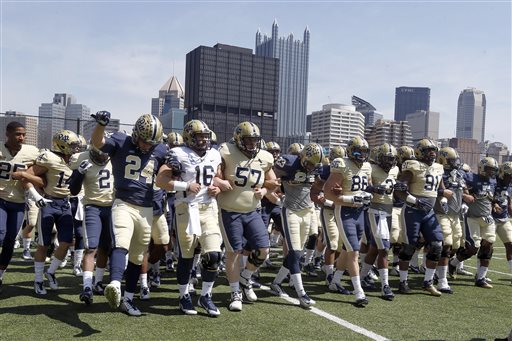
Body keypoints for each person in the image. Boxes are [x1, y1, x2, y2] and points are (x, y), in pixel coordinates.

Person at [90, 111, 167, 316]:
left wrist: (172, 166)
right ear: (135, 134)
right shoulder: (121, 141)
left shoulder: (160, 149)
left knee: (138, 255)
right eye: (144, 141)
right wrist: (100, 125)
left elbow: (169, 167)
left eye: (152, 143)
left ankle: (128, 299)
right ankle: (114, 284)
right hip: (124, 202)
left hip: (147, 208)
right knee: (121, 242)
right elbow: (98, 143)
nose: (147, 146)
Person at [156, 119, 223, 316]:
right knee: (187, 256)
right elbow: (161, 180)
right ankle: (184, 296)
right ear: (189, 137)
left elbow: (216, 176)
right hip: (186, 208)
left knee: (214, 255)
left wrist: (217, 187)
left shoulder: (214, 154)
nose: (203, 140)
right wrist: (186, 186)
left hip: (209, 207)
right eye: (199, 136)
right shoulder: (177, 153)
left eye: (205, 136)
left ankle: (205, 296)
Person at [215, 121, 276, 312]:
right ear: (239, 139)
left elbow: (273, 181)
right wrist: (220, 182)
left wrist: (265, 189)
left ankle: (245, 278)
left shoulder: (264, 157)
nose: (252, 144)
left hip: (252, 211)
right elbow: (213, 176)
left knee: (264, 250)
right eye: (248, 140)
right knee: (233, 253)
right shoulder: (226, 151)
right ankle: (235, 292)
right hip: (230, 210)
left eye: (254, 140)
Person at [23, 129, 81, 295]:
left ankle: (51, 272)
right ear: (62, 145)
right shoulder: (49, 158)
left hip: (65, 204)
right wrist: (36, 196)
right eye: (72, 145)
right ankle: (38, 280)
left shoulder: (73, 160)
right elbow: (27, 176)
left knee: (66, 241)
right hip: (49, 202)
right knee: (43, 243)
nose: (76, 148)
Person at [269, 143, 323, 308]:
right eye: (311, 163)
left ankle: (276, 283)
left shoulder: (316, 168)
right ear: (303, 157)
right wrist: (276, 195)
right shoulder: (289, 162)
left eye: (316, 164)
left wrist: (320, 193)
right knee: (294, 252)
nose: (312, 167)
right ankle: (301, 293)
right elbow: (269, 178)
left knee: (297, 253)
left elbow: (315, 188)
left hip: (307, 211)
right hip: (290, 211)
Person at [394, 138, 449, 297]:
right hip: (412, 211)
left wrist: (443, 200)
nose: (432, 153)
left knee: (437, 245)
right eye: (428, 151)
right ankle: (403, 282)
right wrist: (416, 201)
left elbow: (441, 189)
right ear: (419, 152)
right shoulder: (413, 165)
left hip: (429, 212)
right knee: (410, 246)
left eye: (434, 151)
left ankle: (428, 282)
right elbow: (399, 189)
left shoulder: (438, 167)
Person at [323, 136, 373, 307]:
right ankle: (359, 292)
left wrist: (369, 194)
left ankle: (335, 280)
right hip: (344, 211)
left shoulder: (367, 166)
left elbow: (367, 187)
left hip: (360, 213)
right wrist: (350, 199)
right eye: (358, 151)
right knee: (353, 252)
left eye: (365, 152)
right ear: (351, 151)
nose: (361, 155)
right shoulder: (341, 164)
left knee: (347, 249)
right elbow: (328, 194)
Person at [68, 145, 113, 305]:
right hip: (92, 207)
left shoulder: (116, 158)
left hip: (113, 207)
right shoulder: (82, 158)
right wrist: (79, 173)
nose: (102, 158)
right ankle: (87, 287)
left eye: (104, 155)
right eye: (99, 155)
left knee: (105, 248)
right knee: (91, 247)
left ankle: (98, 282)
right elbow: (73, 190)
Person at [0, 122, 40, 293]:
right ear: (7, 134)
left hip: (18, 202)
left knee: (10, 240)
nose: (21, 138)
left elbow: (44, 170)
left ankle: (0, 275)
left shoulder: (32, 152)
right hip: (0, 198)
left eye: (23, 134)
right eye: (17, 134)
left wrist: (27, 174)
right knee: (0, 234)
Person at [448, 156, 498, 288]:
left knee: (488, 247)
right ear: (481, 168)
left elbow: (489, 196)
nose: (491, 172)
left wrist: (495, 204)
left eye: (493, 170)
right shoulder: (471, 177)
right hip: (472, 217)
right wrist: (465, 194)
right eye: (488, 169)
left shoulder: (493, 181)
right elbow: (457, 186)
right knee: (473, 248)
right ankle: (453, 263)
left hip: (488, 218)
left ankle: (481, 278)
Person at [360, 143, 399, 301]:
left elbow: (396, 190)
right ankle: (385, 285)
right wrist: (374, 189)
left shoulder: (396, 170)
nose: (389, 162)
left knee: (375, 248)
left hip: (388, 212)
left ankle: (362, 277)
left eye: (392, 159)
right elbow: (364, 186)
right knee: (383, 248)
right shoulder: (370, 168)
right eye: (386, 159)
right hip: (375, 211)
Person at [432, 147, 469, 293]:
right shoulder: (437, 172)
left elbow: (464, 189)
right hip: (442, 213)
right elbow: (428, 189)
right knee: (446, 245)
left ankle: (437, 272)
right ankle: (442, 281)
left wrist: (465, 201)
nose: (454, 162)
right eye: (451, 160)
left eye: (455, 159)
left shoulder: (459, 173)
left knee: (455, 246)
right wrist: (441, 193)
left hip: (456, 215)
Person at [492, 161, 512, 283]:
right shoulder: (493, 182)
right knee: (486, 246)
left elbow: (509, 203)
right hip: (490, 218)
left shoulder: (510, 186)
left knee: (510, 245)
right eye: (510, 175)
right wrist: (493, 204)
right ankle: (455, 263)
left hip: (504, 219)